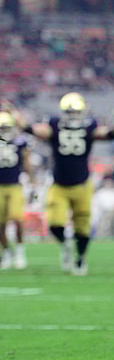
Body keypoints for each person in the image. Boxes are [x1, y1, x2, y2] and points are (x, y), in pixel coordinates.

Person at [22, 92, 114, 275]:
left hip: (82, 184)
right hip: (59, 183)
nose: (74, 116)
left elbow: (110, 135)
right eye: (70, 112)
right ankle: (65, 246)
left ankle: (80, 258)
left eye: (76, 112)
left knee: (82, 227)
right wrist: (17, 118)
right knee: (54, 223)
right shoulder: (55, 125)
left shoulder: (89, 127)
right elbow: (32, 130)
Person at [0, 112, 34, 270]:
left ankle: (20, 251)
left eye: (7, 128)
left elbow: (27, 164)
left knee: (18, 220)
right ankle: (6, 252)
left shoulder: (20, 142)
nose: (4, 131)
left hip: (14, 185)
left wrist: (32, 183)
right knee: (1, 224)